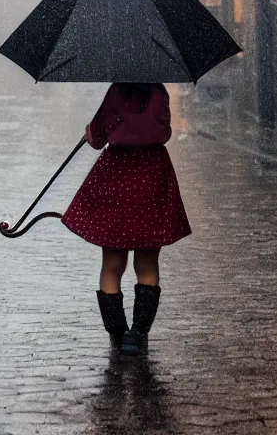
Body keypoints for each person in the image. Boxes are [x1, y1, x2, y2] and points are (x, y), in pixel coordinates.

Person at [62, 83, 191, 355]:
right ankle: (138, 333)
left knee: (112, 263)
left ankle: (117, 332)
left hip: (117, 177)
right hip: (152, 175)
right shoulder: (159, 92)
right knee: (147, 261)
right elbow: (163, 128)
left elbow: (97, 138)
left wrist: (91, 131)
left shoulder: (116, 92)